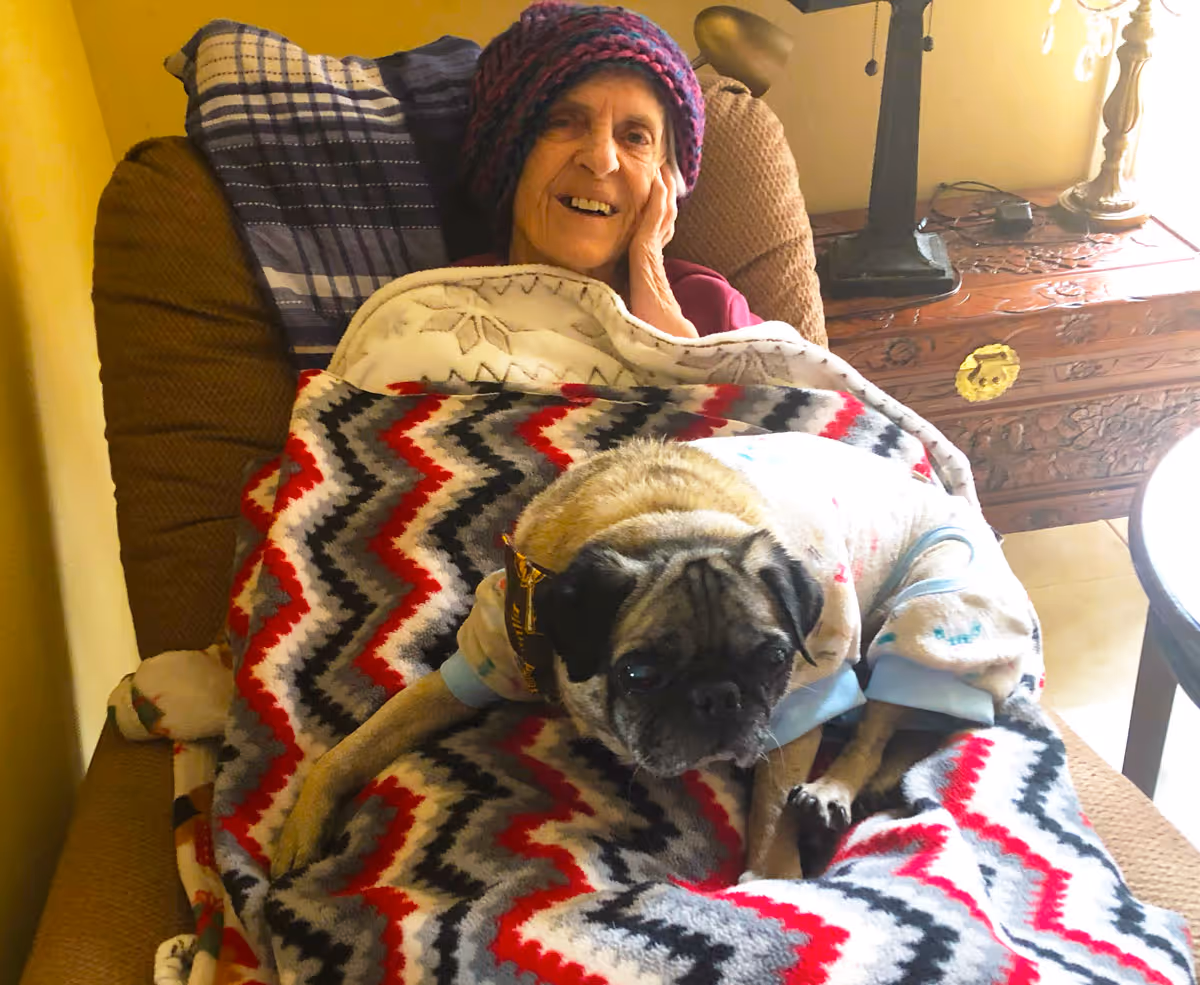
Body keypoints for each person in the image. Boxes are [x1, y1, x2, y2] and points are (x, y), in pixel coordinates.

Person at [458, 1, 763, 339]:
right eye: (563, 122)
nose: (602, 160)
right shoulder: (440, 303)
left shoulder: (715, 309)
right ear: (507, 153)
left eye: (635, 137)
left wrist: (660, 314)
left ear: (665, 177)